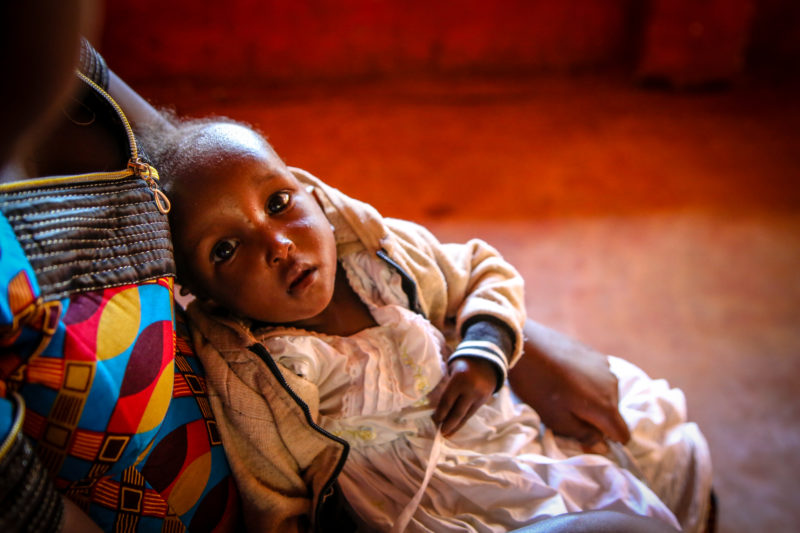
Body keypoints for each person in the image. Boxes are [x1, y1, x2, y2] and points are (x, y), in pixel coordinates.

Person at [138, 115, 712, 532]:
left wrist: (485, 346)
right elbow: (275, 498)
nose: (278, 244)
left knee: (667, 443)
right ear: (200, 293)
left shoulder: (382, 258)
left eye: (280, 202)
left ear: (310, 190)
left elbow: (482, 270)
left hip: (509, 437)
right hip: (429, 513)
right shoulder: (253, 372)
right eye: (225, 249)